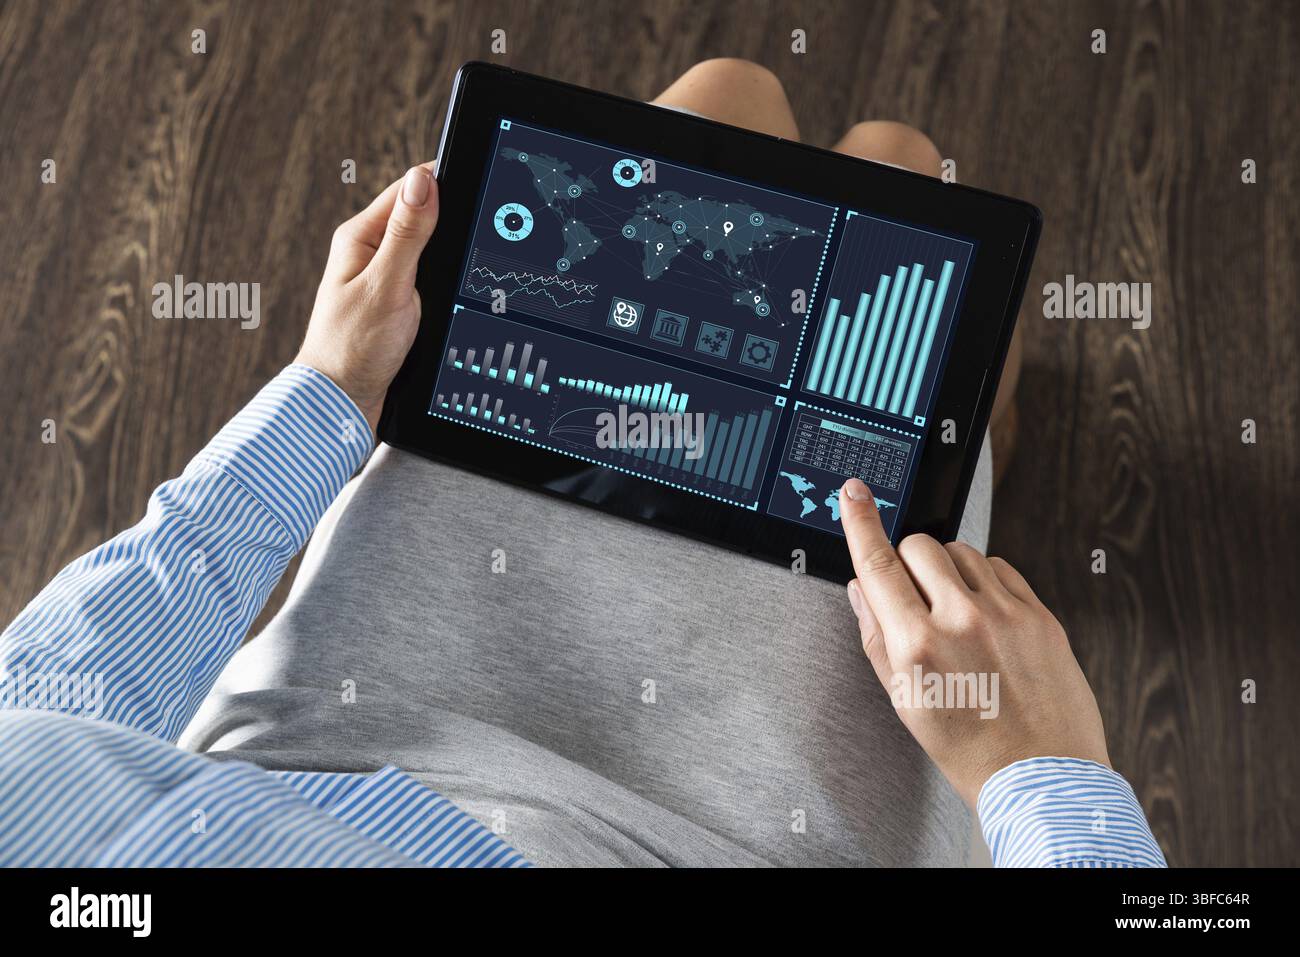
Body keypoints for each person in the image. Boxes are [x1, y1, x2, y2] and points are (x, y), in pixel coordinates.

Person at [0, 60, 1164, 867]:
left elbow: (49, 708)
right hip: (739, 832)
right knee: (914, 194)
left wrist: (330, 395)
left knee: (725, 100)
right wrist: (1041, 770)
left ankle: (977, 439)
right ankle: (987, 437)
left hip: (348, 713)